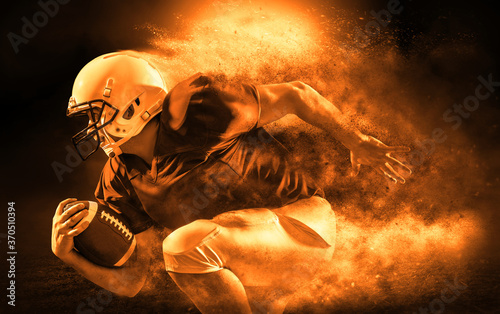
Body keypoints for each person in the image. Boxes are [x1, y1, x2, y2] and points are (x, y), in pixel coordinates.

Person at [51, 52, 410, 306]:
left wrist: (356, 140)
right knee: (186, 249)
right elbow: (133, 281)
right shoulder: (119, 175)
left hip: (303, 226)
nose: (90, 128)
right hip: (246, 263)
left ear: (133, 102)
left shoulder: (194, 108)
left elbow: (295, 94)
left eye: (95, 113)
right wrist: (69, 256)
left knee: (183, 246)